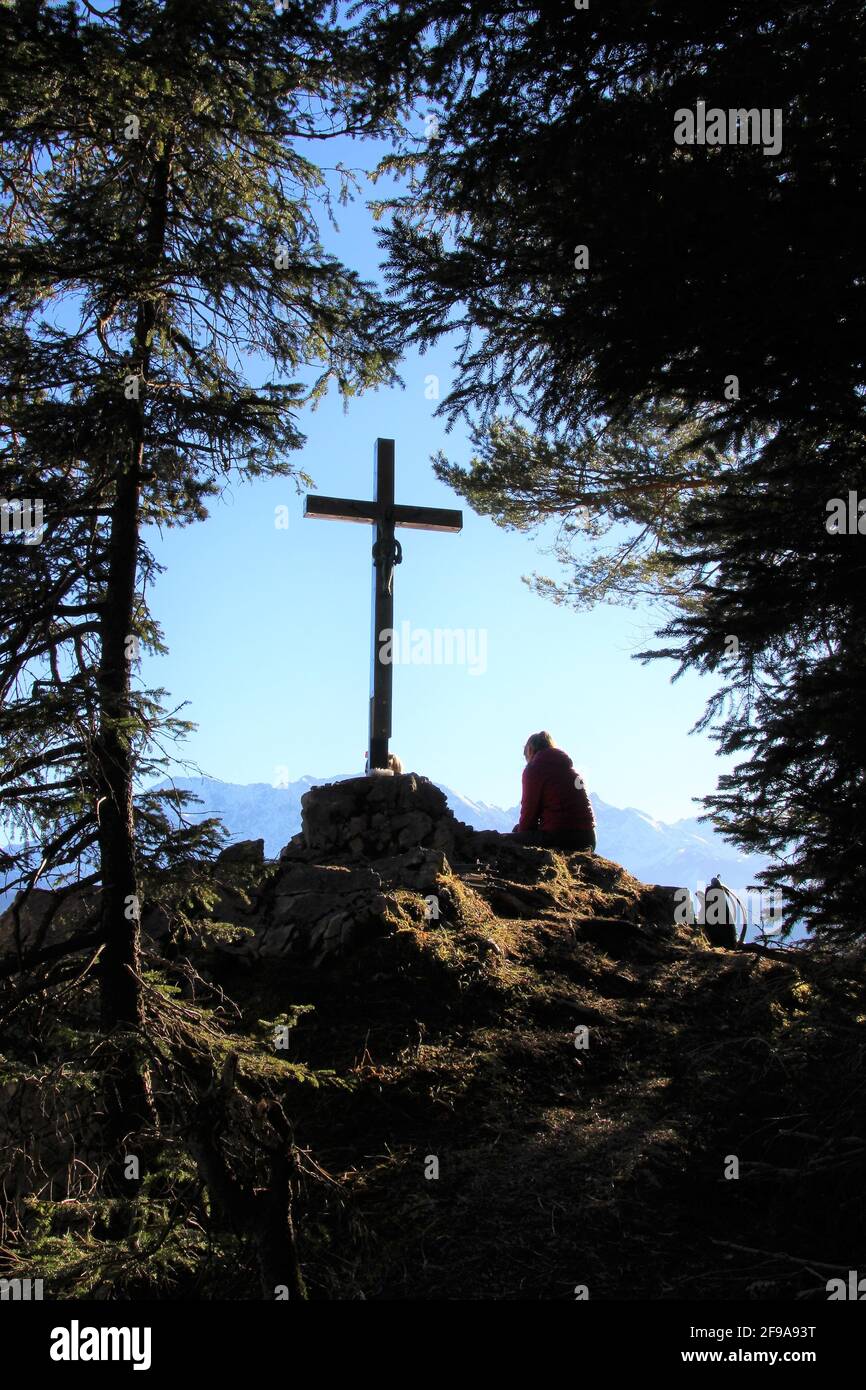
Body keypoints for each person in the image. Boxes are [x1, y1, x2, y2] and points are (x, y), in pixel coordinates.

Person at [511, 731, 596, 852]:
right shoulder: (571, 769)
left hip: (560, 837)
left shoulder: (534, 768)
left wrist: (520, 834)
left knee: (506, 840)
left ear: (530, 750)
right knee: (518, 831)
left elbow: (529, 813)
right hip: (588, 838)